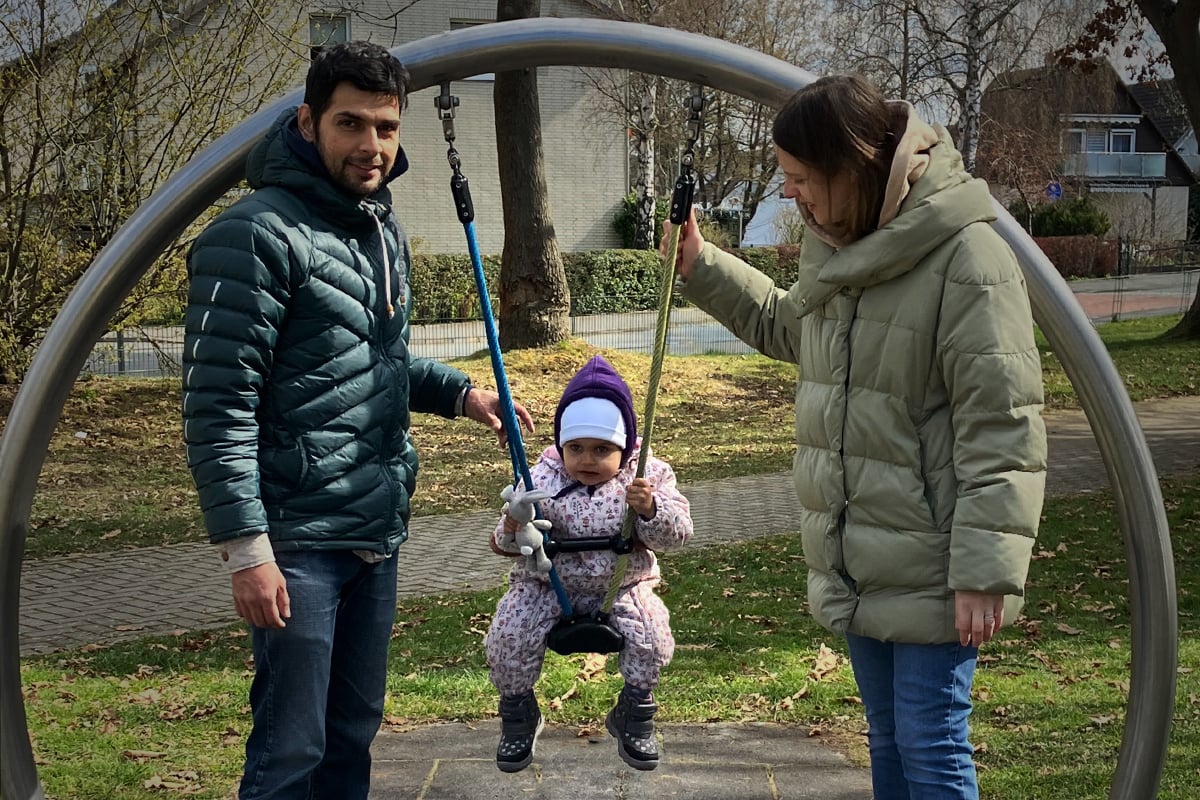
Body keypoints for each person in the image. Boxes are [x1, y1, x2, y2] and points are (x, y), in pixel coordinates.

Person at [666, 75, 1047, 799]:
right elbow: (793, 330)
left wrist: (983, 569)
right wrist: (702, 267)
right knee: (887, 737)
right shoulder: (838, 241)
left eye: (801, 179)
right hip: (858, 544)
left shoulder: (969, 259)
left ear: (854, 168)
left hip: (937, 558)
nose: (791, 197)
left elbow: (1003, 425)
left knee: (930, 740)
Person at [181, 41, 533, 800]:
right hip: (297, 539)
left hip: (373, 529)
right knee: (290, 750)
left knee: (351, 736)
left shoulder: (376, 227)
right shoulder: (254, 236)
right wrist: (247, 549)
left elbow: (371, 361)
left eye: (385, 127)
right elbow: (219, 403)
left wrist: (461, 395)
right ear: (307, 123)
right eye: (351, 123)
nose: (371, 145)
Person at [484, 355, 693, 773]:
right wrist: (513, 523)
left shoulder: (645, 477)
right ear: (561, 445)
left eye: (602, 450)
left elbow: (678, 536)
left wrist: (651, 510)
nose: (587, 460)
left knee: (653, 636)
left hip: (622, 587)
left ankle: (634, 713)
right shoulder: (540, 480)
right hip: (544, 586)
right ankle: (519, 712)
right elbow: (503, 545)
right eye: (575, 448)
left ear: (627, 446)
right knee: (507, 636)